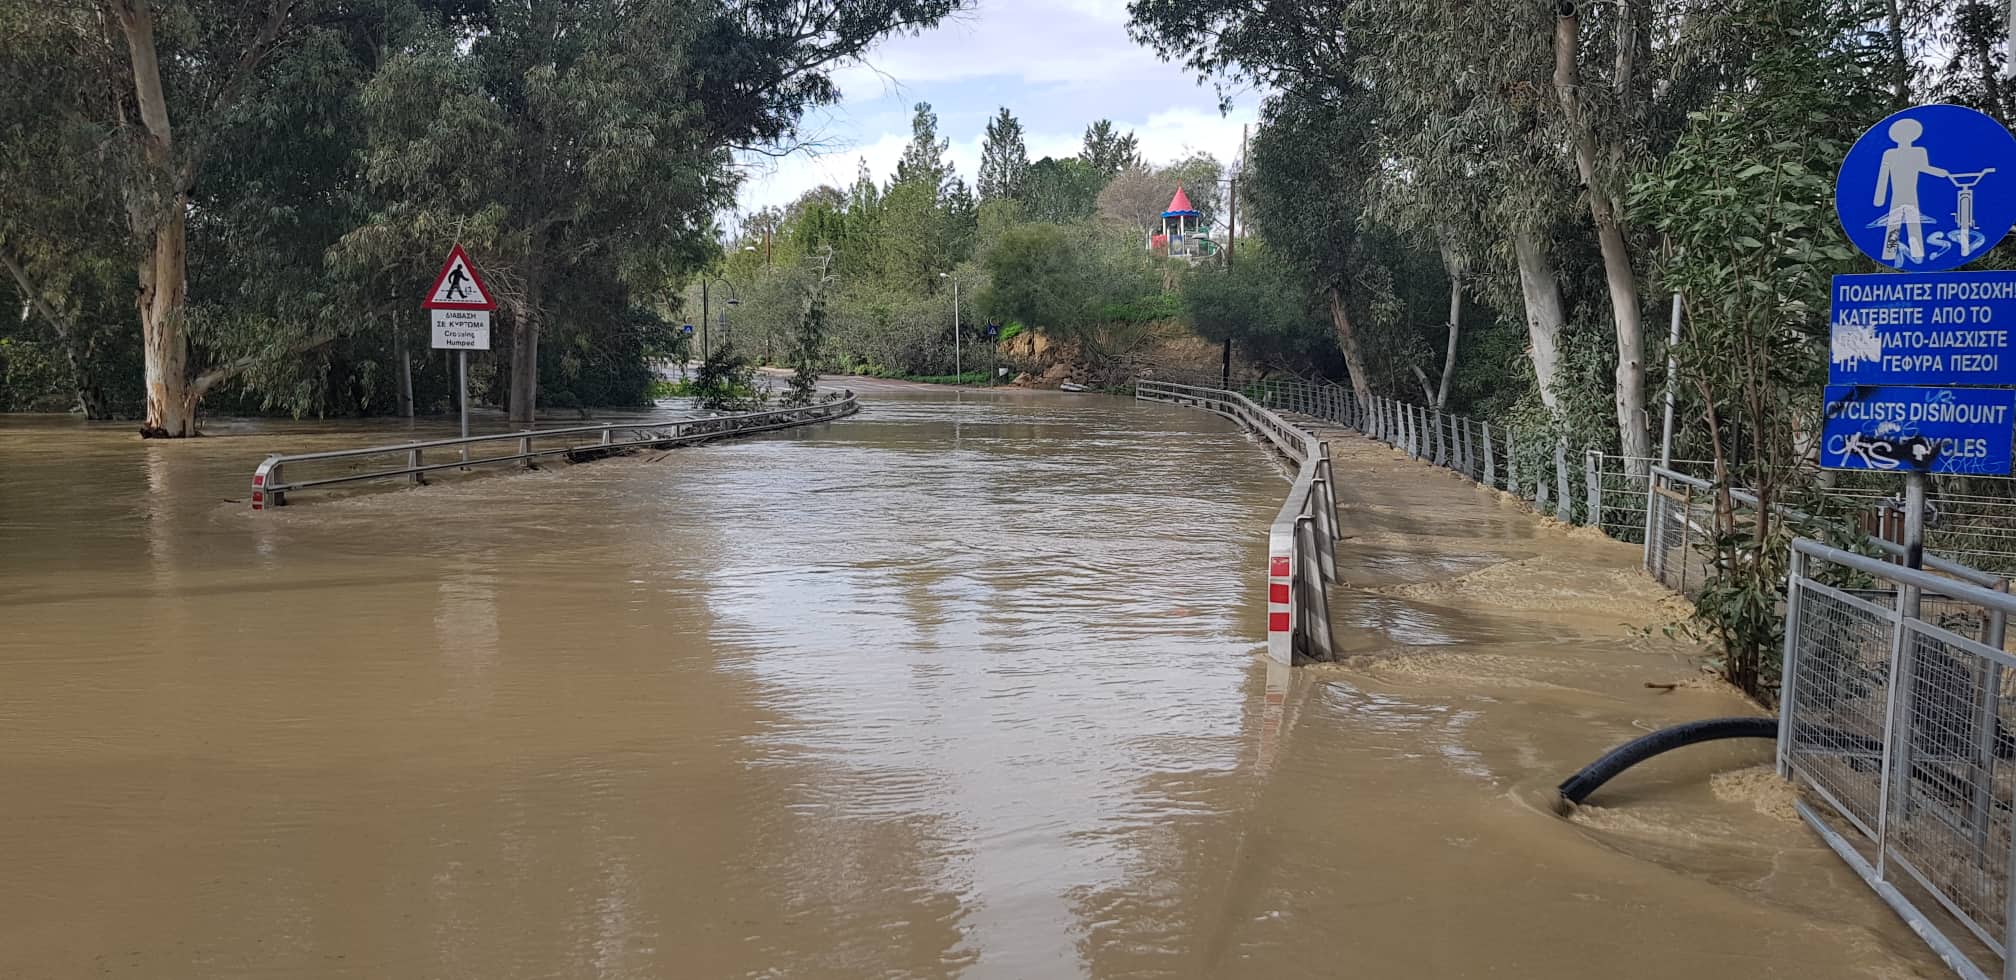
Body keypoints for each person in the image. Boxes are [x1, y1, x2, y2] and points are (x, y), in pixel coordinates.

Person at [1874, 117, 1950, 265]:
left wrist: (1942, 172)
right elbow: (1883, 176)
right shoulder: (1889, 153)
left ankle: (1918, 253)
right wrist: (1879, 197)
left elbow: (1924, 167)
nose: (1905, 138)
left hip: (1911, 193)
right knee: (1894, 224)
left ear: (1914, 135)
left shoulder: (1919, 151)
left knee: (1914, 222)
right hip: (1897, 194)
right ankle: (1889, 253)